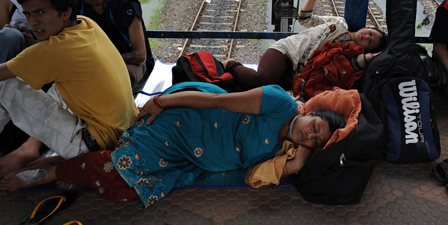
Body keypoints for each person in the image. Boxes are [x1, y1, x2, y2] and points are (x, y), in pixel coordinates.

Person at [0, 82, 346, 208]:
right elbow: (219, 103)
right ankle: (52, 172)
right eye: (315, 126)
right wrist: (164, 103)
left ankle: (63, 162)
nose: (310, 136)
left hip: (188, 160)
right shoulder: (279, 102)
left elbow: (253, 176)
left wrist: (299, 160)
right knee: (120, 168)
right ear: (309, 111)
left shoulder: (287, 149)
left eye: (317, 141)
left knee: (129, 193)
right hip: (185, 124)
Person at [0, 0, 137, 178]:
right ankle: (29, 147)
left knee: (6, 85)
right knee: (59, 83)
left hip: (89, 145)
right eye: (28, 14)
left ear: (66, 12)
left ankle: (20, 149)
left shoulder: (52, 50)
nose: (33, 22)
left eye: (40, 12)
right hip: (122, 132)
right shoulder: (86, 23)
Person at [223, 0, 387, 91]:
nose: (367, 37)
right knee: (261, 81)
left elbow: (357, 64)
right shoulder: (339, 23)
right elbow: (304, 18)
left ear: (367, 49)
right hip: (287, 51)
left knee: (262, 91)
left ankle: (222, 78)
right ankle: (230, 63)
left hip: (296, 75)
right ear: (368, 27)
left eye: (371, 42)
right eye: (371, 33)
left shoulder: (350, 54)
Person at [59, 0, 154, 88]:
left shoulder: (125, 4)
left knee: (112, 80)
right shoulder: (75, 5)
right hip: (95, 63)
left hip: (131, 65)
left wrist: (101, 61)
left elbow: (140, 55)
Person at [0, 0, 49, 162]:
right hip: (12, 68)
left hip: (43, 68)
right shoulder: (7, 0)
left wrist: (38, 43)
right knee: (10, 36)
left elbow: (68, 44)